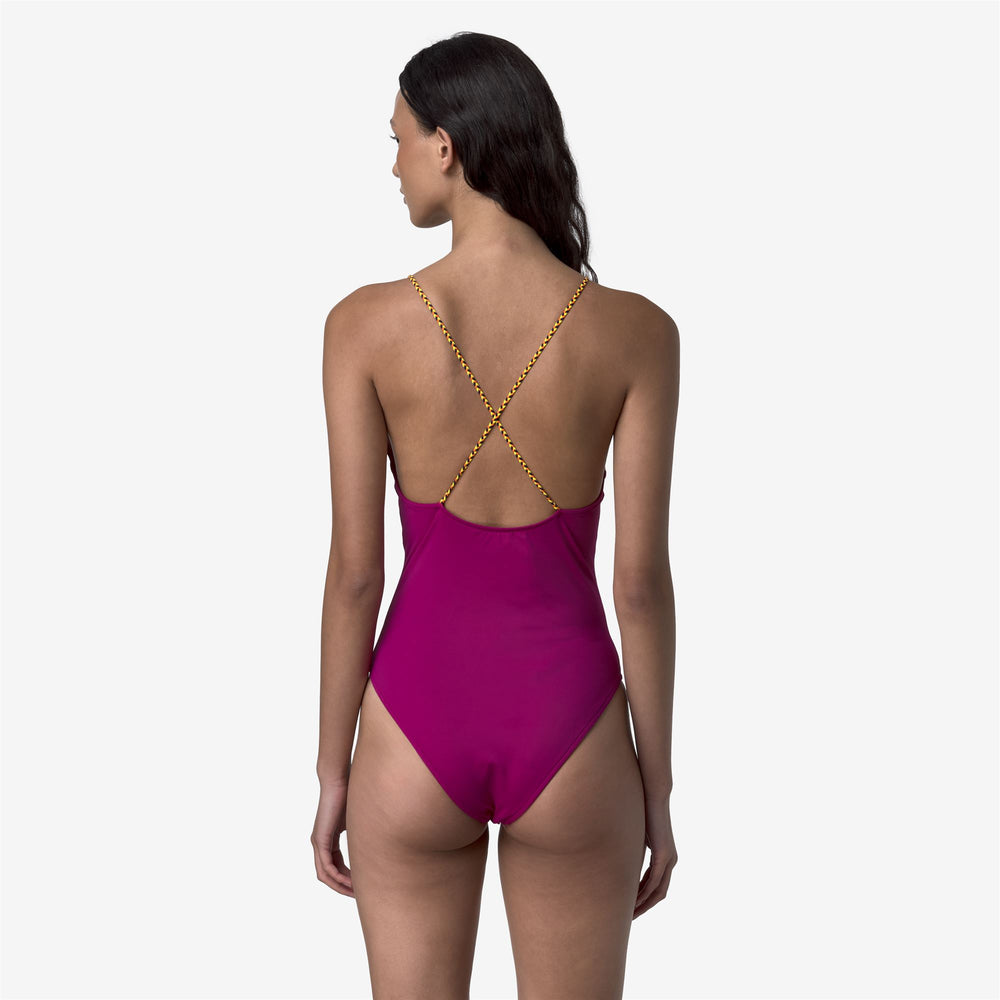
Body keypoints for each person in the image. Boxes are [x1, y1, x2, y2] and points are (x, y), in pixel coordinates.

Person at [311, 31, 679, 1000]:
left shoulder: (361, 327)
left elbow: (355, 574)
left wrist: (332, 772)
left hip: (411, 723)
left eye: (398, 139)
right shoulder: (638, 333)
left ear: (446, 146)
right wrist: (656, 785)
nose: (393, 164)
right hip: (573, 729)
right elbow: (639, 587)